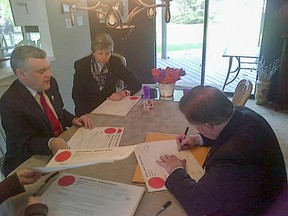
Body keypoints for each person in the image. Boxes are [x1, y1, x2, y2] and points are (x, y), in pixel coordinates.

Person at [156, 85, 287, 215]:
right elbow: (226, 132)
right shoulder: (240, 113)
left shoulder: (233, 158)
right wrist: (197, 139)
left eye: (197, 127)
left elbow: (197, 204)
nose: (197, 129)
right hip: (268, 184)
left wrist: (176, 169)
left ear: (207, 126)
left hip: (258, 205)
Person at [0, 46, 94, 177]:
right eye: (41, 71)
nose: (49, 74)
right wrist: (51, 142)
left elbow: (58, 112)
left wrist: (73, 119)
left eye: (48, 68)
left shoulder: (50, 83)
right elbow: (26, 142)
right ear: (21, 73)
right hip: (27, 165)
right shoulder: (10, 102)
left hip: (60, 149)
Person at [72, 33, 142, 116]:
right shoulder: (81, 65)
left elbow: (136, 82)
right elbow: (77, 94)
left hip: (110, 107)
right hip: (88, 110)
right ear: (93, 52)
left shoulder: (115, 63)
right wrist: (83, 115)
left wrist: (122, 93)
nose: (103, 57)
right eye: (100, 53)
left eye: (107, 54)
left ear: (111, 52)